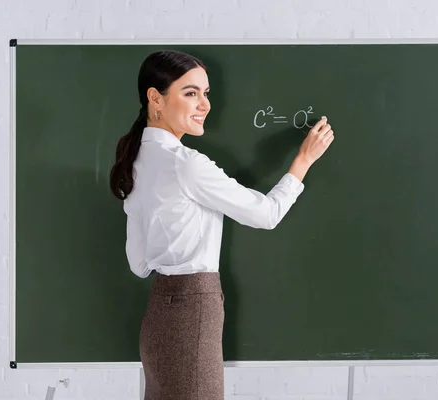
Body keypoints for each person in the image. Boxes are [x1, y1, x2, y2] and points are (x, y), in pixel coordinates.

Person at [109, 50, 335, 400]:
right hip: (192, 314)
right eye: (190, 92)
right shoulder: (186, 165)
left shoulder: (135, 161)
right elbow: (266, 215)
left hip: (157, 321)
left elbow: (139, 266)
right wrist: (303, 160)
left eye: (206, 93)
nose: (205, 105)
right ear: (156, 98)